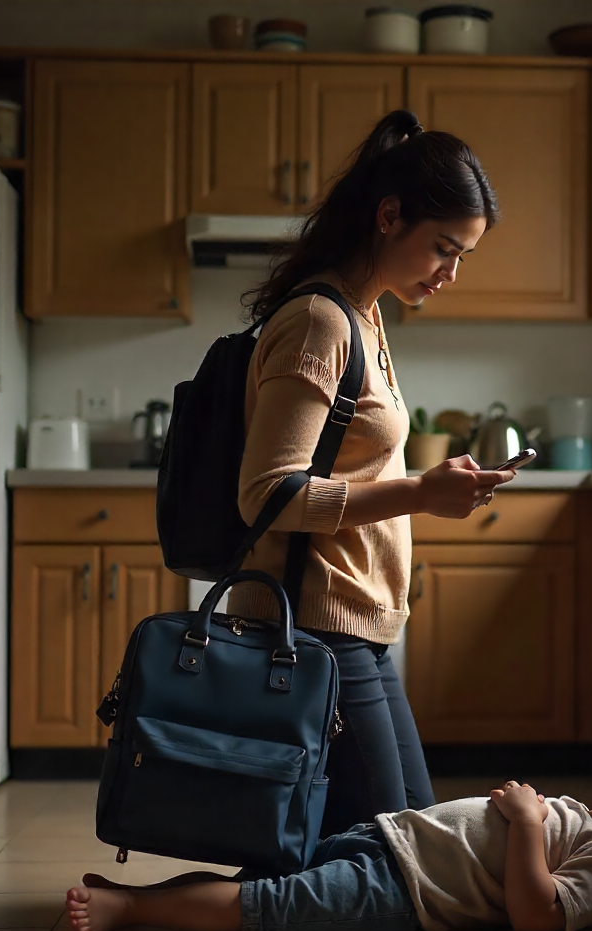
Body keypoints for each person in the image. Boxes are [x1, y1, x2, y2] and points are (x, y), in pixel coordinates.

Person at [228, 108, 511, 837]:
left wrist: (426, 489)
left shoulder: (365, 315)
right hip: (314, 622)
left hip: (355, 621)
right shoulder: (320, 321)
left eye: (464, 256)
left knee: (404, 835)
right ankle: (149, 896)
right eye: (443, 249)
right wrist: (420, 492)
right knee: (395, 846)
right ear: (388, 216)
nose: (450, 274)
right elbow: (268, 494)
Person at [65, 771, 592, 931]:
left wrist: (528, 821)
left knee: (265, 904)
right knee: (260, 873)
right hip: (388, 840)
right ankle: (144, 900)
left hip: (402, 888)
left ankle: (129, 908)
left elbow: (537, 915)